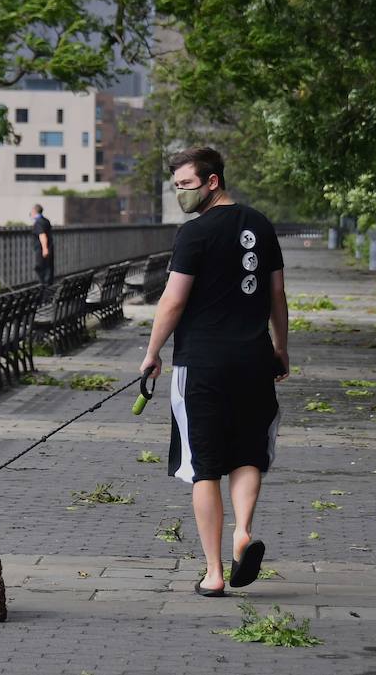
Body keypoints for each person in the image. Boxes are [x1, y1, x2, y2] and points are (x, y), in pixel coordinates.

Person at [139, 146, 289, 597]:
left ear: (212, 182)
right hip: (253, 361)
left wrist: (151, 352)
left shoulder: (194, 234)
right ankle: (243, 532)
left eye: (186, 184)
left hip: (201, 365)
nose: (180, 193)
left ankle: (214, 572)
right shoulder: (261, 224)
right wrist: (281, 349)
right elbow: (277, 295)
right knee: (247, 455)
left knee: (204, 468)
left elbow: (174, 300)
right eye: (176, 186)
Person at [31, 203, 54, 287]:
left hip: (41, 250)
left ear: (34, 211)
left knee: (41, 269)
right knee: (48, 268)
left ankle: (43, 288)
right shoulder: (46, 220)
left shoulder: (38, 222)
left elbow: (42, 235)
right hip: (49, 248)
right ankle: (48, 286)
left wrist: (44, 249)